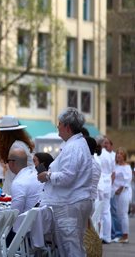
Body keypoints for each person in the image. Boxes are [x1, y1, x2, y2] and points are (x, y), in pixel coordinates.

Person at [37, 107, 93, 256]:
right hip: (73, 201)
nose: (57, 127)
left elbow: (67, 177)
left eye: (59, 124)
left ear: (67, 127)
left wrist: (47, 176)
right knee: (74, 245)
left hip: (70, 204)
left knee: (70, 247)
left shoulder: (74, 146)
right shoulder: (76, 144)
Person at [0, 116, 34, 194]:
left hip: (17, 189)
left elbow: (18, 171)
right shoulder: (18, 144)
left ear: (4, 134)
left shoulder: (16, 146)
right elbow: (3, 146)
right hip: (17, 187)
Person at [8, 148, 43, 214]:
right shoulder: (35, 174)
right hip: (41, 220)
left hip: (27, 222)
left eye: (7, 161)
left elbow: (15, 213)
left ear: (11, 163)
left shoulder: (19, 182)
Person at [112, 148, 132, 243]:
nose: (118, 155)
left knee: (123, 214)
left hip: (123, 193)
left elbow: (127, 181)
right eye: (117, 153)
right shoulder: (115, 166)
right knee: (119, 214)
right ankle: (120, 234)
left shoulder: (126, 167)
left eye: (121, 153)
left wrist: (119, 190)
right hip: (115, 193)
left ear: (124, 156)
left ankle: (125, 236)